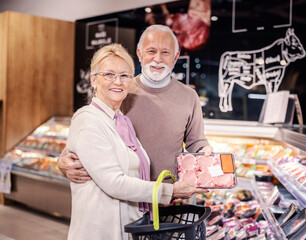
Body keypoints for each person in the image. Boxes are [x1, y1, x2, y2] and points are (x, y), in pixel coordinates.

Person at [66, 43, 207, 239]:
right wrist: (170, 191)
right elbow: (114, 182)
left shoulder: (121, 121)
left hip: (129, 225)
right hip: (101, 229)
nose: (117, 81)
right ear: (93, 79)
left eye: (124, 76)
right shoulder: (88, 121)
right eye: (108, 74)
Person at [58, 24, 212, 183]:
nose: (158, 59)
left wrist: (204, 151)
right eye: (151, 51)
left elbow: (196, 141)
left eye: (165, 52)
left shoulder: (189, 96)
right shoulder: (120, 90)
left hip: (173, 193)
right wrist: (62, 161)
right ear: (139, 54)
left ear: (176, 56)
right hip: (128, 196)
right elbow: (89, 131)